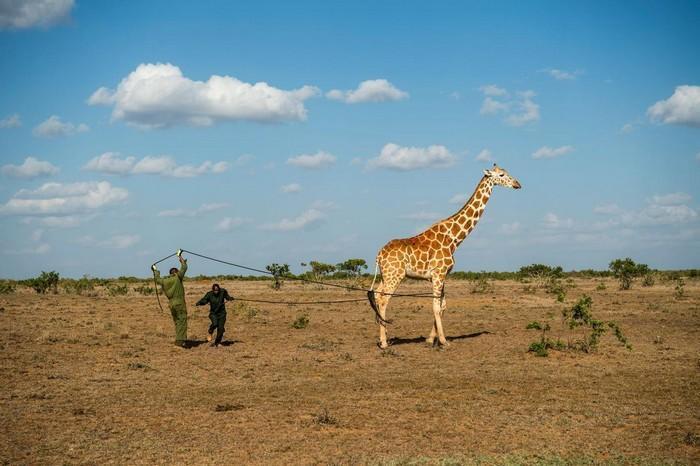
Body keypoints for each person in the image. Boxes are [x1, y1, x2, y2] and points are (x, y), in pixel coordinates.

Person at [152, 254, 189, 348]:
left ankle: (179, 340)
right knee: (182, 321)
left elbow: (157, 279)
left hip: (171, 304)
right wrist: (179, 256)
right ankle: (180, 342)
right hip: (179, 303)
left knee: (177, 321)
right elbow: (184, 266)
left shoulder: (164, 281)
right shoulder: (178, 277)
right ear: (176, 272)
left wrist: (155, 270)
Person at [195, 283, 234, 347]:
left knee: (221, 328)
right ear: (212, 290)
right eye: (215, 290)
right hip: (213, 314)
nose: (216, 292)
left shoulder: (223, 291)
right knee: (215, 324)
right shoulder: (209, 294)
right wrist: (200, 303)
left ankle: (217, 342)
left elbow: (227, 297)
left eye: (217, 290)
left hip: (222, 313)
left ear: (219, 289)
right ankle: (210, 331)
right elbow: (204, 300)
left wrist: (230, 298)